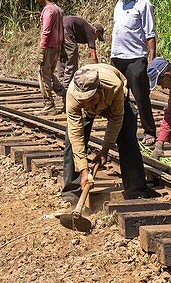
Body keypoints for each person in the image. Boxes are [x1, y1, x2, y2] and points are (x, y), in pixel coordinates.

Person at [61, 64, 153, 203]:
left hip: (115, 101)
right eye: (84, 101)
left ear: (99, 89)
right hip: (88, 107)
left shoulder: (114, 87)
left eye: (91, 99)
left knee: (127, 138)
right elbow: (76, 132)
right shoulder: (73, 96)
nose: (88, 104)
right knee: (71, 141)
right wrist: (84, 170)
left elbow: (116, 120)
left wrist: (105, 150)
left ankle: (136, 190)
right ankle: (71, 194)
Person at [110, 0, 158, 145]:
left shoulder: (143, 4)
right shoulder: (119, 4)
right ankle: (121, 131)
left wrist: (151, 59)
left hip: (136, 57)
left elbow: (150, 33)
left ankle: (149, 131)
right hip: (117, 57)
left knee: (141, 97)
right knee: (117, 97)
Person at [32, 0, 65, 114]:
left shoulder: (48, 11)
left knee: (42, 74)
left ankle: (49, 103)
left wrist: (41, 48)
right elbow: (61, 30)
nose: (37, 0)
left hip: (48, 48)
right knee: (50, 74)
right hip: (56, 47)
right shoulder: (58, 9)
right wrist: (61, 47)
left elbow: (46, 31)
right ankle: (65, 95)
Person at [56, 15, 105, 93]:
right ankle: (66, 88)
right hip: (66, 29)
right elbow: (93, 54)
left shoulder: (85, 27)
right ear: (96, 31)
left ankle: (61, 82)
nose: (96, 39)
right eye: (98, 37)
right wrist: (96, 69)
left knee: (62, 56)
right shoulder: (90, 30)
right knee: (72, 58)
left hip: (57, 27)